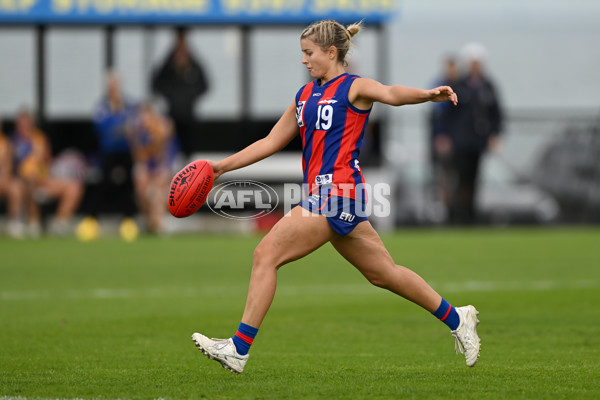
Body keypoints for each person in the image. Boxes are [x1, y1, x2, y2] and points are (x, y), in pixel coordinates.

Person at [191, 20, 480, 374]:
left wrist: (427, 94)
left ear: (331, 53)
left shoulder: (354, 87)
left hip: (337, 193)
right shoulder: (304, 96)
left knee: (265, 253)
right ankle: (458, 318)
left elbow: (390, 93)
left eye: (309, 53)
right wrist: (220, 168)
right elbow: (270, 142)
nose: (304, 61)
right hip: (327, 196)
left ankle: (239, 348)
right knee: (384, 274)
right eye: (302, 54)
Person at [447, 43, 503, 225]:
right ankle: (458, 215)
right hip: (460, 141)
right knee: (460, 178)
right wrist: (444, 135)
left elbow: (496, 113)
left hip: (478, 142)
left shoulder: (488, 86)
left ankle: (471, 215)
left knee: (474, 179)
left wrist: (495, 134)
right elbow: (447, 113)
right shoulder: (458, 85)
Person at [11, 109, 83, 236]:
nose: (25, 126)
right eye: (22, 123)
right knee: (29, 181)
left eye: (27, 122)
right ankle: (33, 223)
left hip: (44, 179)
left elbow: (48, 161)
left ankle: (59, 223)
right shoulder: (13, 142)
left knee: (74, 187)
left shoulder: (40, 138)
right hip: (24, 182)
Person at [91, 71, 139, 238]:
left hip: (126, 152)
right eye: (111, 86)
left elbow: (135, 126)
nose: (114, 89)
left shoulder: (130, 105)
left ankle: (129, 220)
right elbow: (103, 128)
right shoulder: (102, 107)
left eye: (116, 86)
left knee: (129, 184)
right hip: (108, 153)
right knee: (103, 183)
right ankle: (93, 220)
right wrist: (119, 125)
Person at [152, 27, 209, 156]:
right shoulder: (168, 65)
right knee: (170, 147)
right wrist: (170, 95)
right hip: (172, 115)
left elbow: (205, 85)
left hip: (189, 116)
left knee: (189, 150)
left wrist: (190, 96)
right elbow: (155, 83)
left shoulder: (193, 64)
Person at [129, 103, 176, 234]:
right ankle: (147, 221)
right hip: (146, 164)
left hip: (163, 164)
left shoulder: (164, 126)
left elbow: (164, 155)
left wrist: (158, 134)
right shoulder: (137, 131)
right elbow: (139, 156)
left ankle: (158, 223)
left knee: (157, 192)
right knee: (141, 189)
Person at [428, 56, 460, 221]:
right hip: (444, 140)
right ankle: (444, 213)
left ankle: (455, 212)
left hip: (458, 141)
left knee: (455, 178)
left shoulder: (461, 85)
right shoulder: (439, 86)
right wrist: (441, 136)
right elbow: (437, 114)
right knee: (442, 177)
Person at [0, 124, 25, 238]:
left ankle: (13, 223)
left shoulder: (6, 143)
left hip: (2, 181)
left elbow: (7, 169)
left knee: (16, 187)